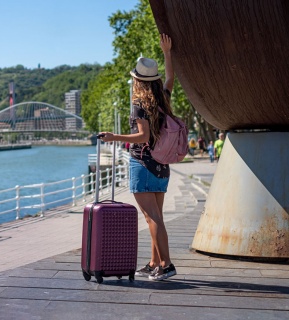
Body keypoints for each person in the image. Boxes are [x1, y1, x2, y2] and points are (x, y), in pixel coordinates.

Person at [98, 33, 176, 281]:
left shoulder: (139, 103)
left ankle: (166, 265)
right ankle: (154, 262)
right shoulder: (163, 97)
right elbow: (171, 77)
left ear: (137, 81)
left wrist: (113, 137)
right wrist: (167, 52)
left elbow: (142, 136)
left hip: (143, 164)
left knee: (152, 218)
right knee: (157, 219)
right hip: (162, 165)